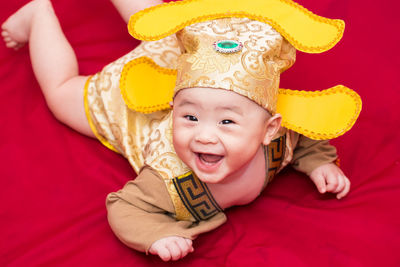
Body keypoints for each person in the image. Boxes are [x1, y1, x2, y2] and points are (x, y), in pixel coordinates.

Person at [2, 0, 359, 262]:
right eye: (189, 119)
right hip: (131, 96)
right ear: (175, 111)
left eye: (227, 123)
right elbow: (123, 208)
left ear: (269, 129)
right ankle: (39, 15)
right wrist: (155, 234)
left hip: (192, 73)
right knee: (62, 91)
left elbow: (307, 135)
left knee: (162, 33)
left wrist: (319, 162)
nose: (203, 136)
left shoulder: (281, 138)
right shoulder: (167, 178)